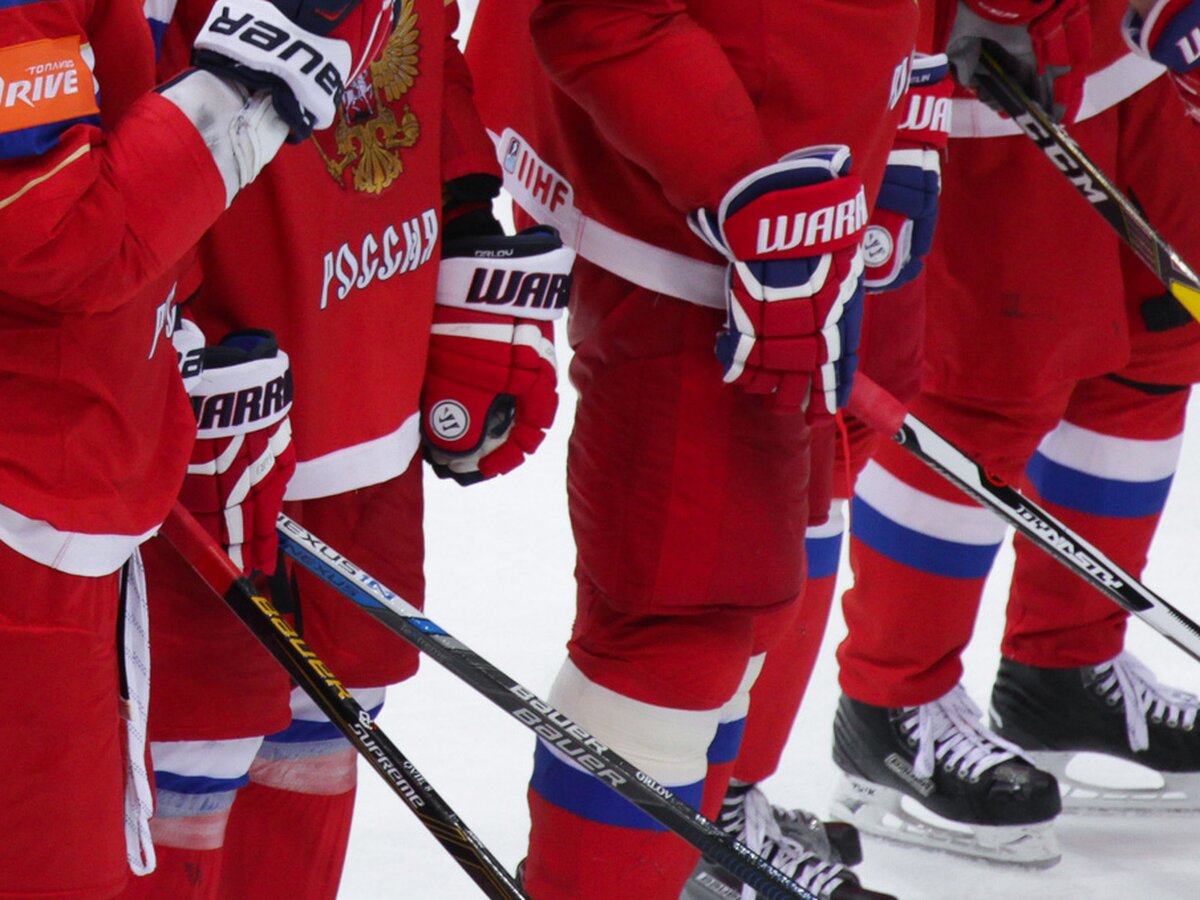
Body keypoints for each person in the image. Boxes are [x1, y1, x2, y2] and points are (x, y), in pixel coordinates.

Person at [465, 1, 938, 897]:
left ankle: (678, 856)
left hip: (803, 195)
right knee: (680, 623)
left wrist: (904, 95)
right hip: (705, 234)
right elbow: (602, 15)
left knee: (742, 607)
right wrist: (739, 182)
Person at [116, 1, 573, 897]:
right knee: (186, 761)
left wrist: (465, 214)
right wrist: (163, 333)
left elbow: (424, 35)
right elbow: (121, 94)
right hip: (220, 402)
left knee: (326, 725)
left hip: (370, 381)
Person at [0, 0, 389, 892]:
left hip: (62, 491)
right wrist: (247, 83)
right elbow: (53, 233)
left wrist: (175, 345)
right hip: (26, 514)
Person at [829, 0, 1200, 867]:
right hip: (1000, 47)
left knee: (1160, 331)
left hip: (1136, 42)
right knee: (989, 372)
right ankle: (892, 700)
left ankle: (1067, 669)